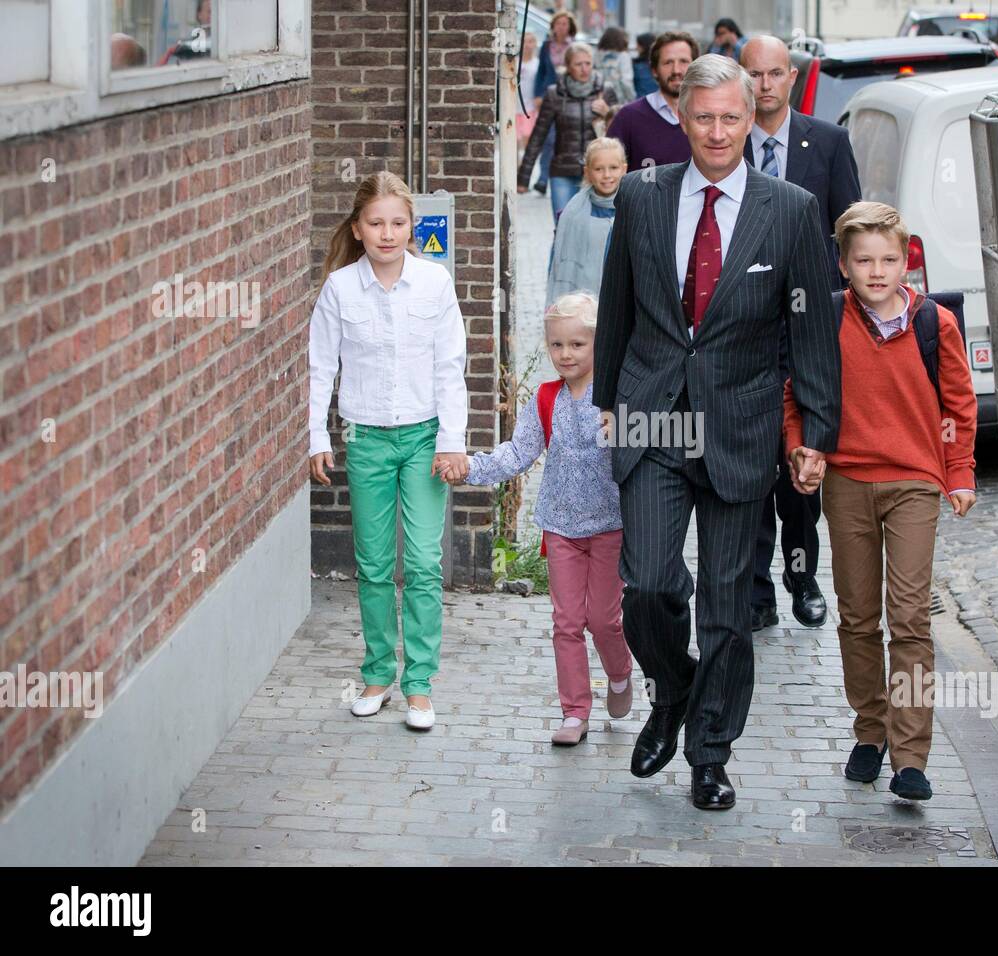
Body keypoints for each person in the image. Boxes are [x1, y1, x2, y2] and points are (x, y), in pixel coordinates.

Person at [593, 55, 842, 811]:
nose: (718, 131)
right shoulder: (641, 196)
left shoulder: (791, 209)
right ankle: (673, 687)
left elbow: (813, 333)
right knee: (649, 587)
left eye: (731, 117)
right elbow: (617, 306)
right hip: (653, 412)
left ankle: (709, 751)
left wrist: (815, 434)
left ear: (750, 117)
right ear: (683, 117)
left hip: (741, 421)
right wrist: (607, 402)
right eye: (703, 117)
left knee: (729, 608)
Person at [783, 201, 977, 801]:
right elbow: (796, 395)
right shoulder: (827, 320)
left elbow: (958, 403)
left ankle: (911, 755)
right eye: (863, 260)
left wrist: (960, 472)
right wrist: (800, 450)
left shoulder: (934, 323)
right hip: (846, 483)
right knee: (859, 617)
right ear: (843, 265)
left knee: (911, 617)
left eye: (889, 259)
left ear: (905, 261)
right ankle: (870, 733)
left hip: (916, 483)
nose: (876, 270)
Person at [308, 171, 469, 731]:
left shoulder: (434, 283)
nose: (387, 233)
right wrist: (315, 436)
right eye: (375, 223)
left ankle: (419, 685)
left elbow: (451, 365)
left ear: (412, 226)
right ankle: (378, 674)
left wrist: (452, 440)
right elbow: (321, 366)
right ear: (357, 229)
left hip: (424, 439)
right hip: (365, 439)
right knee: (374, 564)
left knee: (423, 563)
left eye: (398, 222)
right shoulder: (339, 288)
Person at [450, 293, 634, 746]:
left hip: (611, 524)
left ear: (598, 345)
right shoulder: (546, 397)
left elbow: (642, 445)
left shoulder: (616, 395)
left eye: (577, 345)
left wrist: (627, 428)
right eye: (557, 346)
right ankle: (575, 711)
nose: (566, 354)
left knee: (605, 620)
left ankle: (620, 672)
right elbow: (519, 451)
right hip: (561, 527)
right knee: (567, 621)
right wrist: (471, 467)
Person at [739, 35, 862, 635]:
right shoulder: (724, 143)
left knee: (804, 466)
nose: (763, 86)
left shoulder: (829, 142)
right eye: (753, 75)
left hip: (809, 328)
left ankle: (803, 578)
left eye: (773, 74)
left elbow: (853, 230)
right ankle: (756, 588)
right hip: (745, 329)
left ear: (792, 78)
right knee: (753, 467)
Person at [518, 43, 619, 221]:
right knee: (562, 229)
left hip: (597, 172)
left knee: (596, 229)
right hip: (562, 171)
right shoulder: (555, 93)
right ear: (568, 66)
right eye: (578, 64)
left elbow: (620, 133)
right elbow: (538, 135)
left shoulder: (605, 90)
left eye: (588, 63)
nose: (584, 69)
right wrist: (523, 178)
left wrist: (607, 113)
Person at [606, 31, 698, 175]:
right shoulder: (629, 117)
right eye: (668, 62)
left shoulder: (712, 118)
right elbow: (606, 171)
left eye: (683, 61)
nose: (676, 70)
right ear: (654, 70)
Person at [548, 138, 627, 303]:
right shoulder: (572, 214)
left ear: (623, 169)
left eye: (613, 168)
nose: (607, 175)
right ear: (587, 172)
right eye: (599, 169)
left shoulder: (633, 208)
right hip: (583, 302)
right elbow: (558, 264)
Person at [531, 11, 580, 195]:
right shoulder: (546, 46)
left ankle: (569, 178)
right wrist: (537, 94)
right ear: (553, 26)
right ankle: (543, 179)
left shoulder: (575, 47)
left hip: (569, 97)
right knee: (549, 139)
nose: (562, 27)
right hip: (549, 96)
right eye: (559, 23)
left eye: (565, 23)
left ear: (570, 27)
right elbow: (541, 72)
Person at [595, 27, 636, 105]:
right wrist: (632, 98)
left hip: (599, 97)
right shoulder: (623, 56)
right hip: (617, 98)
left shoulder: (597, 55)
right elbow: (626, 81)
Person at [516, 31, 542, 156]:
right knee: (513, 141)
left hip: (530, 108)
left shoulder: (537, 64)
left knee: (528, 140)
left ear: (535, 44)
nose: (527, 45)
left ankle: (524, 169)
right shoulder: (514, 63)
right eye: (524, 42)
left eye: (530, 41)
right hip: (514, 108)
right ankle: (514, 168)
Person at [631, 32, 658, 98]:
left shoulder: (635, 65)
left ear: (644, 46)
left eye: (638, 44)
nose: (636, 47)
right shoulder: (659, 64)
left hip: (640, 101)